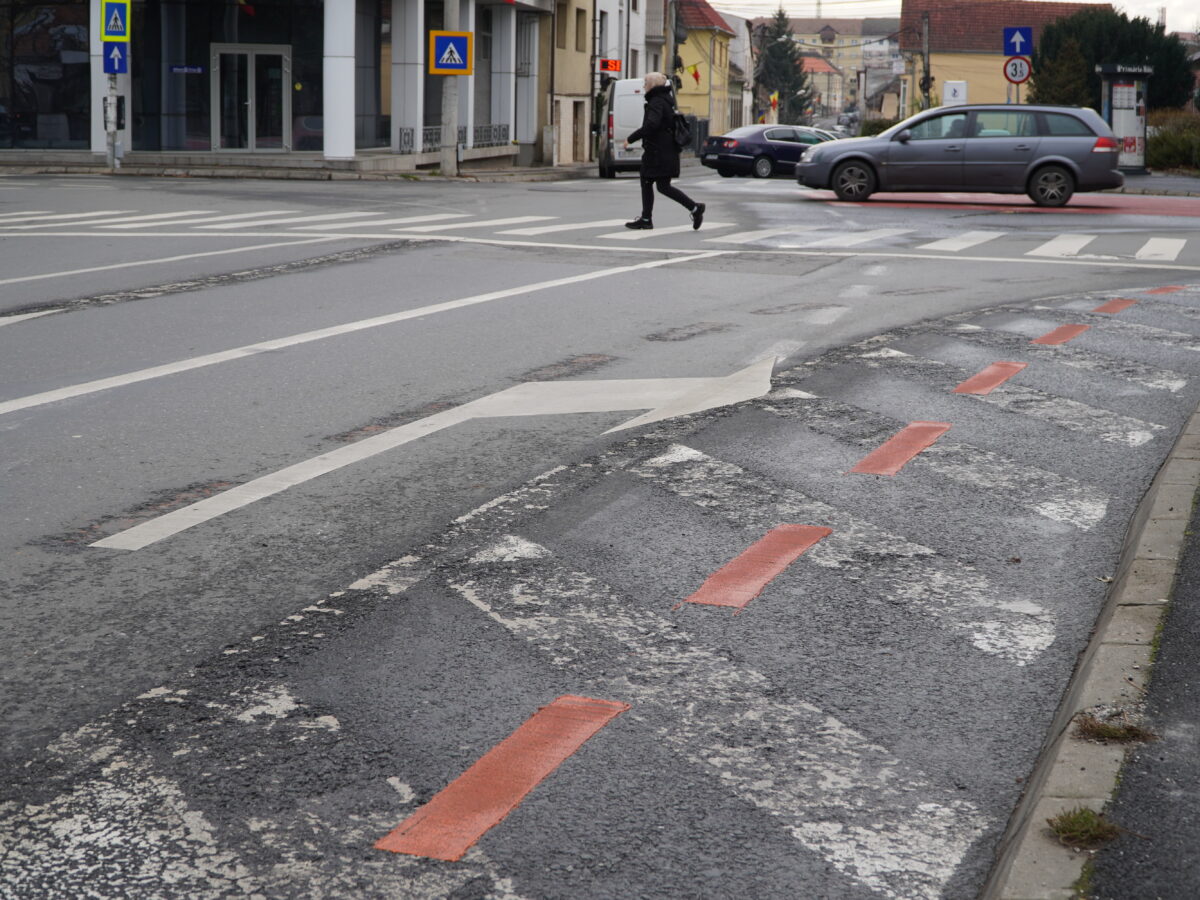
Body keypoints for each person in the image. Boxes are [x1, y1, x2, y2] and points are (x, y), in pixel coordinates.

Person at [622, 72, 705, 231]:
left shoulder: (657, 101)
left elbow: (652, 125)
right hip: (665, 150)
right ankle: (695, 209)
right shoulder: (665, 99)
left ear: (652, 85)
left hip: (658, 152)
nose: (644, 86)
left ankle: (646, 219)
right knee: (662, 186)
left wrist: (631, 138)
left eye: (645, 83)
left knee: (648, 181)